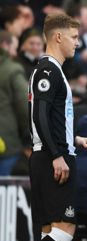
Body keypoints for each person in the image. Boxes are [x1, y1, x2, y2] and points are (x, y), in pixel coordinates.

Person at [28, 13, 87, 241]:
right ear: (58, 37)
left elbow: (51, 117)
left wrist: (73, 139)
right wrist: (58, 154)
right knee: (65, 230)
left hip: (48, 154)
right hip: (52, 159)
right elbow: (39, 115)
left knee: (49, 231)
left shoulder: (50, 69)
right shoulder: (49, 70)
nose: (77, 43)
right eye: (74, 37)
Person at [0, 30, 29, 175]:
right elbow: (26, 107)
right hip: (6, 145)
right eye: (14, 48)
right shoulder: (12, 70)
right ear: (5, 45)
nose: (15, 53)